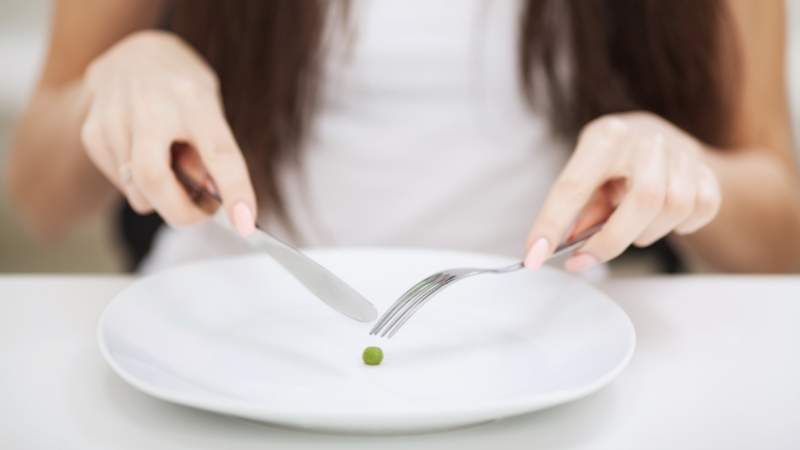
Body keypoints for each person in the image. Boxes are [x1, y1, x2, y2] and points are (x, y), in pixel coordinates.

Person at [6, 0, 800, 274]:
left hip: (558, 357)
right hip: (215, 346)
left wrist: (684, 170)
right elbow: (39, 202)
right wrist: (118, 78)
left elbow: (784, 239)